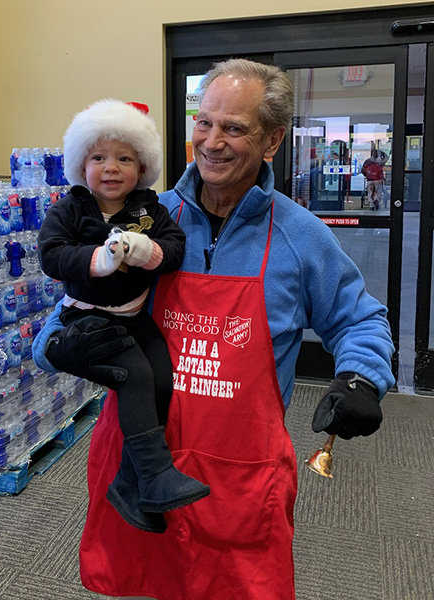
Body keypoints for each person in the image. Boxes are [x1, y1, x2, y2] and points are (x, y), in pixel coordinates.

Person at [33, 59, 395, 600]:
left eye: (234, 127)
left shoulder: (300, 235)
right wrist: (53, 347)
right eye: (204, 123)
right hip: (138, 461)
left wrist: (362, 378)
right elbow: (75, 300)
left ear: (272, 140)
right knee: (141, 583)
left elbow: (358, 316)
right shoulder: (146, 216)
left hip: (238, 479)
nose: (212, 141)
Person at [37, 99, 209, 535]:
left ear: (142, 166)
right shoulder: (70, 209)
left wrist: (147, 250)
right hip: (87, 318)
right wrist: (99, 259)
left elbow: (174, 248)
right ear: (82, 164)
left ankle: (134, 485)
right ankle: (154, 474)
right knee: (133, 374)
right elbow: (52, 254)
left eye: (124, 158)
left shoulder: (151, 210)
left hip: (133, 316)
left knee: (162, 380)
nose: (111, 168)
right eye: (98, 157)